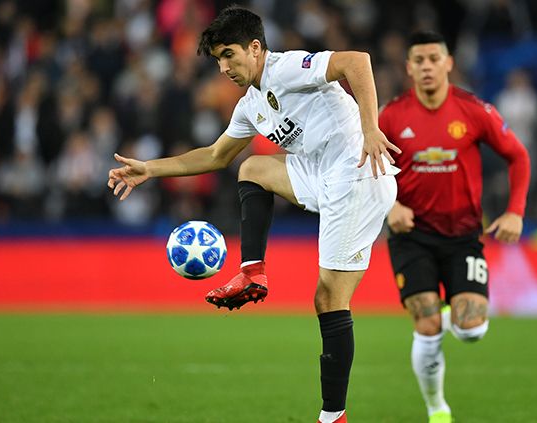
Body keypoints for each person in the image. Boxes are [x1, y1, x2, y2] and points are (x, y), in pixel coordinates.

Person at [107, 6, 399, 423]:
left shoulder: (286, 69)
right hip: (319, 174)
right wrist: (150, 169)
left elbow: (357, 61)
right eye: (218, 59)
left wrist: (371, 127)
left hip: (357, 175)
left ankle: (333, 416)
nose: (224, 66)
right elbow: (214, 155)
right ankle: (252, 270)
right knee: (253, 168)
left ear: (256, 47)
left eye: (229, 54)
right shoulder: (250, 105)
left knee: (328, 299)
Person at [379, 31, 530, 423]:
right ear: (408, 67)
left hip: (464, 236)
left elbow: (518, 156)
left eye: (434, 58)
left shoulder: (475, 110)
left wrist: (515, 211)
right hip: (411, 236)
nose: (427, 66)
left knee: (471, 330)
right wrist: (389, 205)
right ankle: (437, 409)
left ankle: (447, 321)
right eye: (419, 60)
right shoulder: (390, 116)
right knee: (427, 322)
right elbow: (366, 170)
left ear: (448, 63)